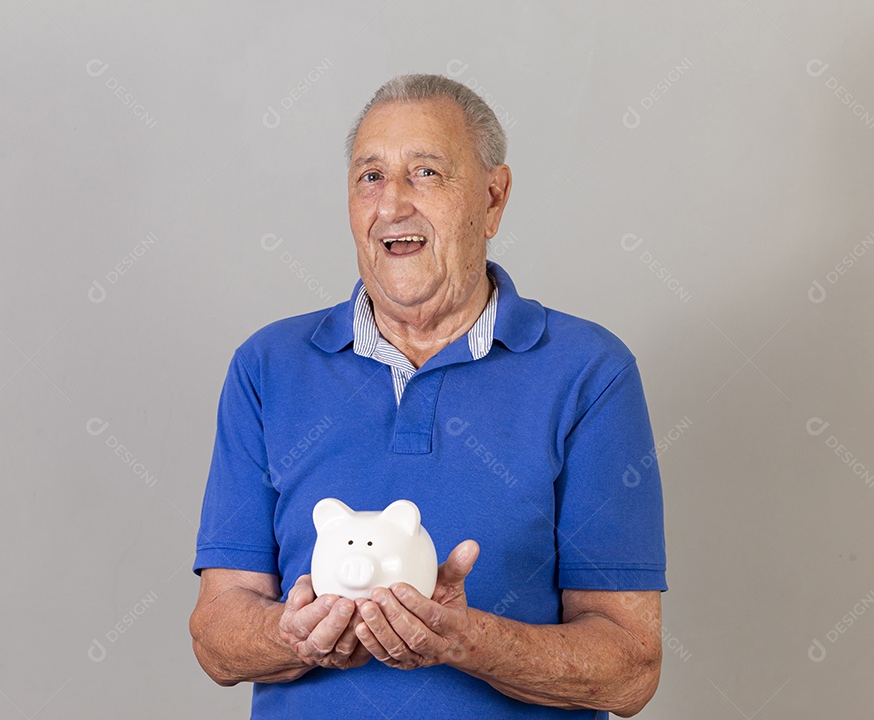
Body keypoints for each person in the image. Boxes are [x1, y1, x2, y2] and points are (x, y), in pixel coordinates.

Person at [189, 73, 667, 719]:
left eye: (426, 173)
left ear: (493, 199)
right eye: (370, 177)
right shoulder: (268, 366)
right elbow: (217, 637)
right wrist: (292, 636)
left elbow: (628, 670)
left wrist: (467, 641)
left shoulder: (588, 371)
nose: (392, 205)